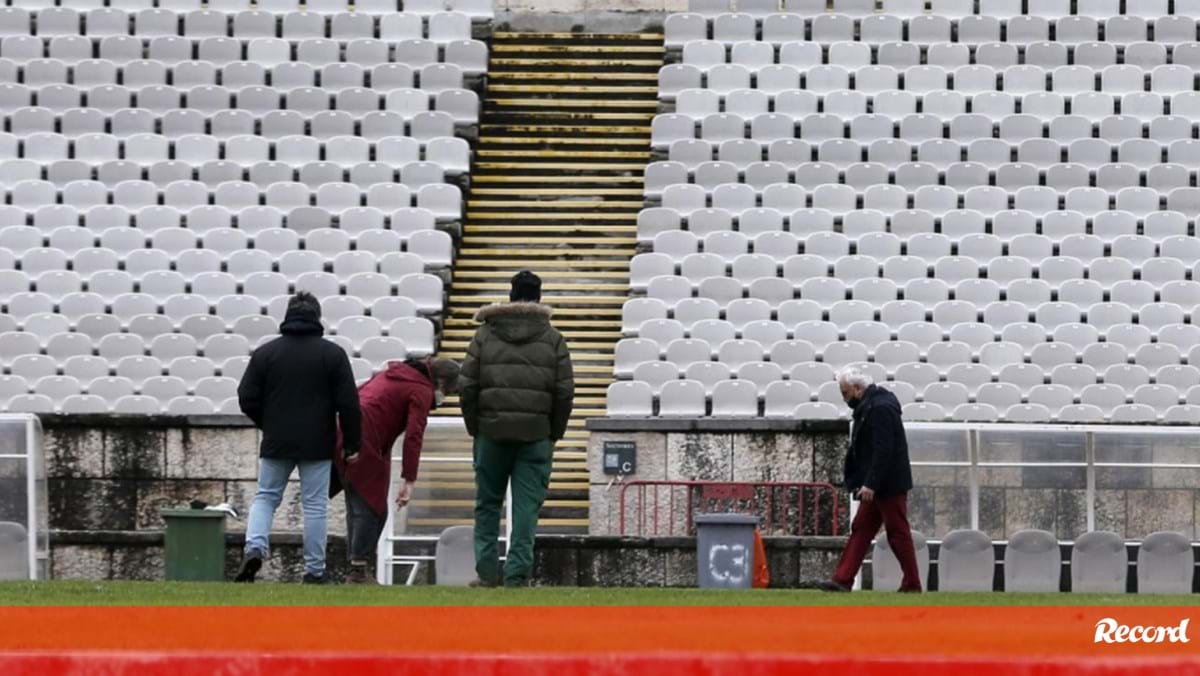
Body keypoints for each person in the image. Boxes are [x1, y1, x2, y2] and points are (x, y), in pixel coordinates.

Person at [235, 291, 362, 584]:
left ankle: (255, 546)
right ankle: (314, 571)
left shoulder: (266, 353)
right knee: (315, 504)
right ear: (317, 317)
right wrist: (353, 444)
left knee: (266, 497)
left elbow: (246, 397)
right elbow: (349, 404)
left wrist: (269, 423)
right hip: (317, 442)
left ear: (288, 316)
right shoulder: (332, 354)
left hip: (277, 440)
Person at [460, 270, 574, 587]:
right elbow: (564, 392)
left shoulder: (484, 335)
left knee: (487, 504)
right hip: (536, 436)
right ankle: (517, 574)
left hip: (491, 434)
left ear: (510, 296)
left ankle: (485, 573)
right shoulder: (553, 339)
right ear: (539, 298)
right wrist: (553, 433)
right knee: (526, 509)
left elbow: (467, 386)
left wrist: (476, 427)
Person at [330, 356, 461, 584]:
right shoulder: (421, 389)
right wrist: (409, 480)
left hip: (346, 430)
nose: (445, 397)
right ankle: (358, 572)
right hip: (365, 436)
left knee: (358, 504)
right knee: (372, 508)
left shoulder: (396, 372)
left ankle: (357, 568)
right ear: (440, 382)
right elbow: (414, 435)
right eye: (448, 391)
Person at [814, 367, 921, 593]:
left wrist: (871, 483)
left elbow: (884, 450)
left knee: (897, 532)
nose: (845, 399)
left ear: (857, 389)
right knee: (862, 528)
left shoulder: (879, 408)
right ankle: (842, 579)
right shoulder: (877, 405)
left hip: (887, 484)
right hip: (882, 482)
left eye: (845, 393)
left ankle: (912, 582)